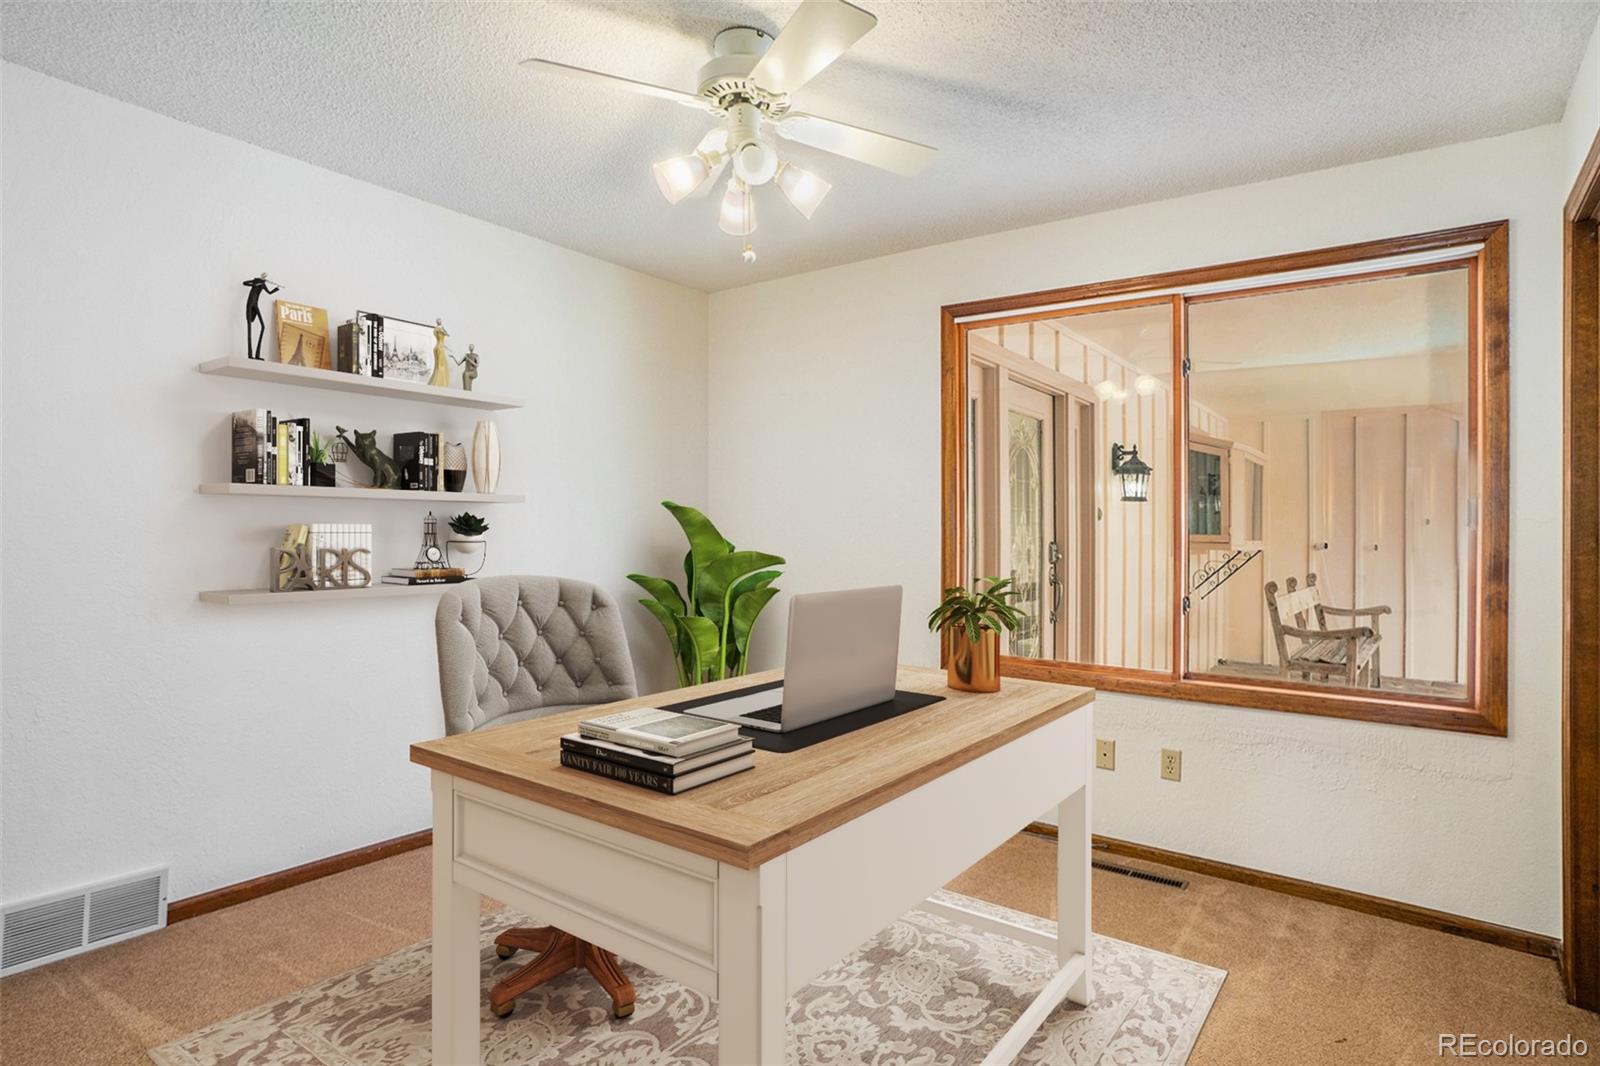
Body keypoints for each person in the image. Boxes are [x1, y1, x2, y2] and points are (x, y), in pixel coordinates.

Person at [241, 273, 279, 360]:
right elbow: (245, 283)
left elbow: (269, 292)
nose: (264, 277)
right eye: (264, 276)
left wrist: (276, 288)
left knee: (263, 326)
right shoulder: (256, 281)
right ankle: (250, 355)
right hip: (250, 304)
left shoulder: (263, 284)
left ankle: (257, 355)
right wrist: (255, 284)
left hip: (255, 304)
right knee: (249, 327)